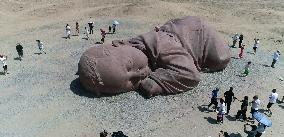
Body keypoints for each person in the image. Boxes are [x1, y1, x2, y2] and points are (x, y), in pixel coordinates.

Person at [78, 16, 231, 97]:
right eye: (132, 81)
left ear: (119, 45)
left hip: (199, 34)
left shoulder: (160, 46)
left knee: (220, 59)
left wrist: (157, 82)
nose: (140, 73)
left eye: (131, 66)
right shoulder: (133, 48)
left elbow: (191, 75)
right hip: (179, 28)